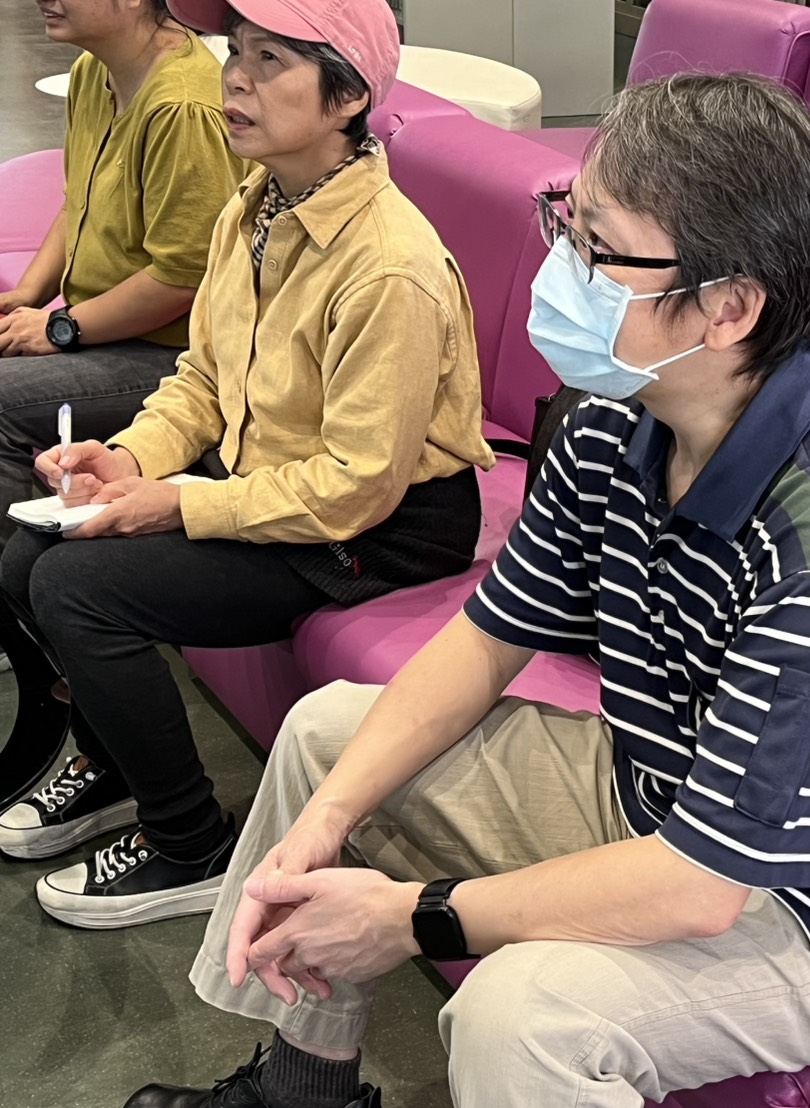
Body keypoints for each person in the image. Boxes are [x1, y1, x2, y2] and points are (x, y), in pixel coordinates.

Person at [121, 74, 810, 1108]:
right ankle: (301, 1089)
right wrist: (325, 823)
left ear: (727, 308)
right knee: (331, 739)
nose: (563, 270)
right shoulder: (618, 413)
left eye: (599, 249)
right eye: (567, 225)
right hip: (656, 791)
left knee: (521, 1016)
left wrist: (408, 917)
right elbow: (484, 641)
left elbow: (705, 885)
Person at [0, 0, 493, 936]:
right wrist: (129, 457)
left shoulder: (389, 266)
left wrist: (175, 505)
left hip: (380, 528)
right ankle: (112, 769)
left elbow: (356, 486)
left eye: (272, 61)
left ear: (346, 98)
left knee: (77, 588)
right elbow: (202, 376)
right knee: (30, 558)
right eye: (238, 52)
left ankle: (191, 844)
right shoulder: (255, 206)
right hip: (276, 478)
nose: (236, 78)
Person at [0, 0, 244, 546]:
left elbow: (183, 279)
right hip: (101, 327)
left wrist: (62, 327)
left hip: (172, 352)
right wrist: (28, 295)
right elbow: (77, 202)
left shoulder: (183, 109)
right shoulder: (95, 71)